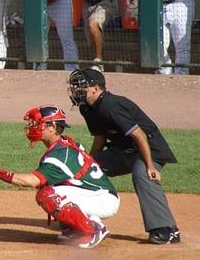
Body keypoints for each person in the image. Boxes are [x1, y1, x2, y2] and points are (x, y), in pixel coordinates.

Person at [0, 105, 119, 248]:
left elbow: (31, 181)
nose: (34, 127)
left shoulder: (59, 156)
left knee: (47, 194)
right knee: (51, 186)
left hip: (102, 199)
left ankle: (92, 230)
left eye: (39, 124)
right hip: (96, 193)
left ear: (53, 127)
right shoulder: (66, 143)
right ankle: (75, 227)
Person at [68, 68, 180, 244]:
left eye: (81, 87)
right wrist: (90, 162)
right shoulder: (87, 108)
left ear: (95, 88)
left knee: (142, 175)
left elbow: (139, 135)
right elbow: (101, 135)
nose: (76, 91)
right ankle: (80, 220)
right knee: (85, 170)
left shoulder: (111, 105)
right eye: (74, 87)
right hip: (122, 151)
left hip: (150, 149)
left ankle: (166, 229)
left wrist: (150, 166)